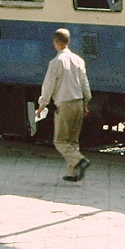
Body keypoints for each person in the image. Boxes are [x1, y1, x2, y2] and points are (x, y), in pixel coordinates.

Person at [35, 28, 92, 183]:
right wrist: (85, 103)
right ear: (68, 42)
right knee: (73, 141)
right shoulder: (79, 60)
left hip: (65, 104)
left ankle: (80, 160)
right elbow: (85, 84)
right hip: (78, 102)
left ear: (56, 43)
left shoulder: (56, 63)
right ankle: (72, 173)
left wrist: (42, 105)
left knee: (60, 141)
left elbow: (48, 86)